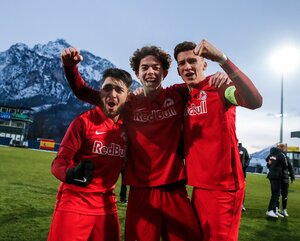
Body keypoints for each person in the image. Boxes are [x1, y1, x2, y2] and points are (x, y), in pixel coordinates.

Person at [61, 46, 230, 240]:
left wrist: (221, 75)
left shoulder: (178, 94)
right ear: (137, 73)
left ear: (165, 73)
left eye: (156, 67)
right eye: (145, 68)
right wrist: (70, 68)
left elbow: (199, 82)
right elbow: (84, 92)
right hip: (141, 192)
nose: (150, 72)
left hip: (173, 189)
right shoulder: (128, 103)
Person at [173, 39, 263, 241]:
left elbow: (254, 101)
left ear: (204, 64)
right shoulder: (183, 95)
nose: (187, 66)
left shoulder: (220, 86)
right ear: (178, 70)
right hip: (199, 186)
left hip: (224, 187)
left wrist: (223, 60)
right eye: (182, 64)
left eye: (192, 61)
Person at [47, 67, 132, 241]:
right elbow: (58, 163)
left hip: (107, 206)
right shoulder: (83, 122)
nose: (112, 94)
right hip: (74, 203)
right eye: (107, 88)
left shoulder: (130, 126)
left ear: (127, 96)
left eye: (119, 90)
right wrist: (70, 174)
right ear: (100, 92)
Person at [265, 146, 288, 218]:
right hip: (277, 176)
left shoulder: (271, 155)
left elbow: (268, 163)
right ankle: (270, 210)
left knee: (274, 193)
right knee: (276, 194)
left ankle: (273, 210)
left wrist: (272, 164)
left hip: (271, 176)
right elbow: (285, 165)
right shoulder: (281, 155)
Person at [276, 143, 295, 217]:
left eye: (281, 147)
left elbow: (290, 167)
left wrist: (292, 176)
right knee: (277, 195)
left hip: (285, 179)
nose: (283, 149)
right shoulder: (276, 156)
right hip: (278, 178)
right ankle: (277, 209)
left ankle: (284, 210)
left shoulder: (286, 157)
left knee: (285, 195)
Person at [238, 142, 251, 211]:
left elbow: (248, 158)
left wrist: (245, 165)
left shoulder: (243, 149)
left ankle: (241, 204)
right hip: (231, 172)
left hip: (241, 172)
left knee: (242, 188)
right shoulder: (231, 147)